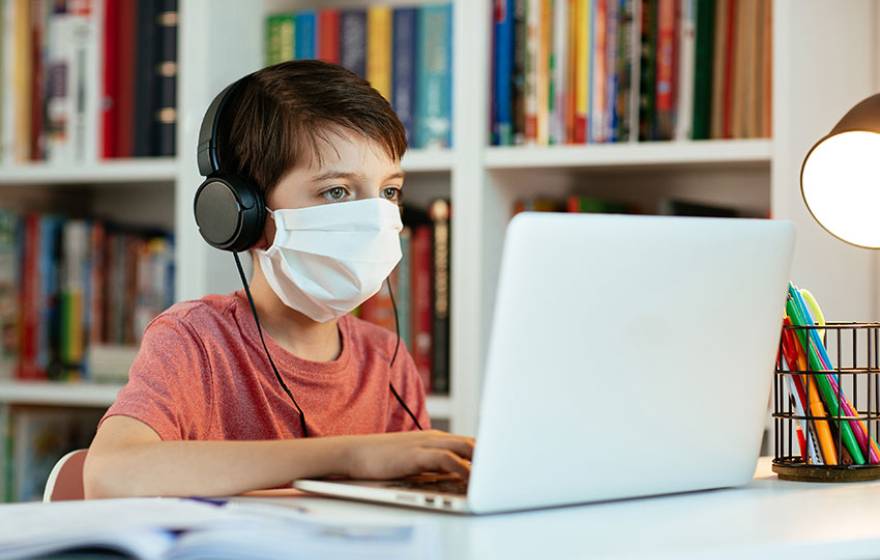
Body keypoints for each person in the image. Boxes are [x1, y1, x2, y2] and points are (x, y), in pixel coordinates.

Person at [84, 60, 473, 499]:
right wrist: (347, 456)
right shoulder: (196, 341)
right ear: (241, 213)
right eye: (337, 192)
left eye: (389, 192)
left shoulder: (384, 359)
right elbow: (109, 475)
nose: (375, 217)